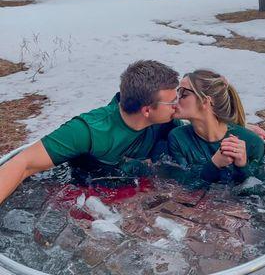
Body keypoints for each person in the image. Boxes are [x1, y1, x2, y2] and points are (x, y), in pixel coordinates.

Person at [0, 60, 181, 204]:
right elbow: (23, 163)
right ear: (147, 110)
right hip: (84, 197)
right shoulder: (88, 130)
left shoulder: (165, 123)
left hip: (133, 197)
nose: (177, 105)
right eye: (172, 101)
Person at [168, 70, 265, 184]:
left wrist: (242, 166)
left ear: (205, 101)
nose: (175, 100)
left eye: (183, 94)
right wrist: (214, 164)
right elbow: (181, 185)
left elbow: (262, 193)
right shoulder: (178, 137)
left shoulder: (252, 142)